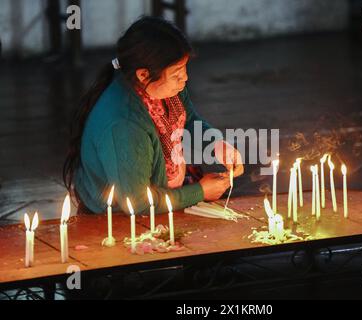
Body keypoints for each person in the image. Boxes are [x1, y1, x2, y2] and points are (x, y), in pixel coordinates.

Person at [63, 16, 243, 214]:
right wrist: (200, 191)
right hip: (121, 216)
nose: (185, 78)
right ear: (143, 75)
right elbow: (138, 202)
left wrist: (217, 144)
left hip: (163, 188)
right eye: (176, 73)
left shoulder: (165, 87)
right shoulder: (125, 124)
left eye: (184, 68)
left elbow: (188, 119)